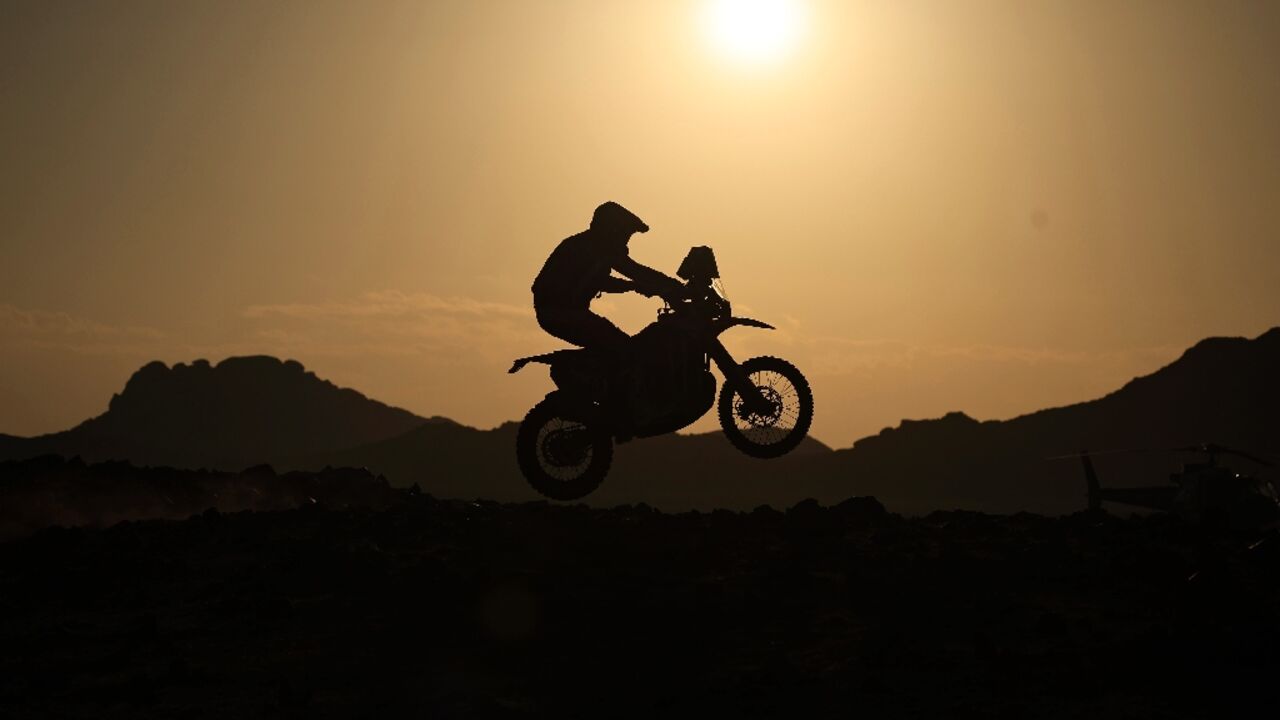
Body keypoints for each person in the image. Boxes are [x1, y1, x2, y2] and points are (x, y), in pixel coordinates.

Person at [531, 201, 685, 355]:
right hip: (562, 314)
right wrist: (671, 286)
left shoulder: (587, 245)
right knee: (627, 350)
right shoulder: (596, 247)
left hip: (563, 313)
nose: (626, 240)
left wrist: (638, 285)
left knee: (619, 345)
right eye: (626, 233)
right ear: (613, 229)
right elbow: (633, 271)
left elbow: (599, 280)